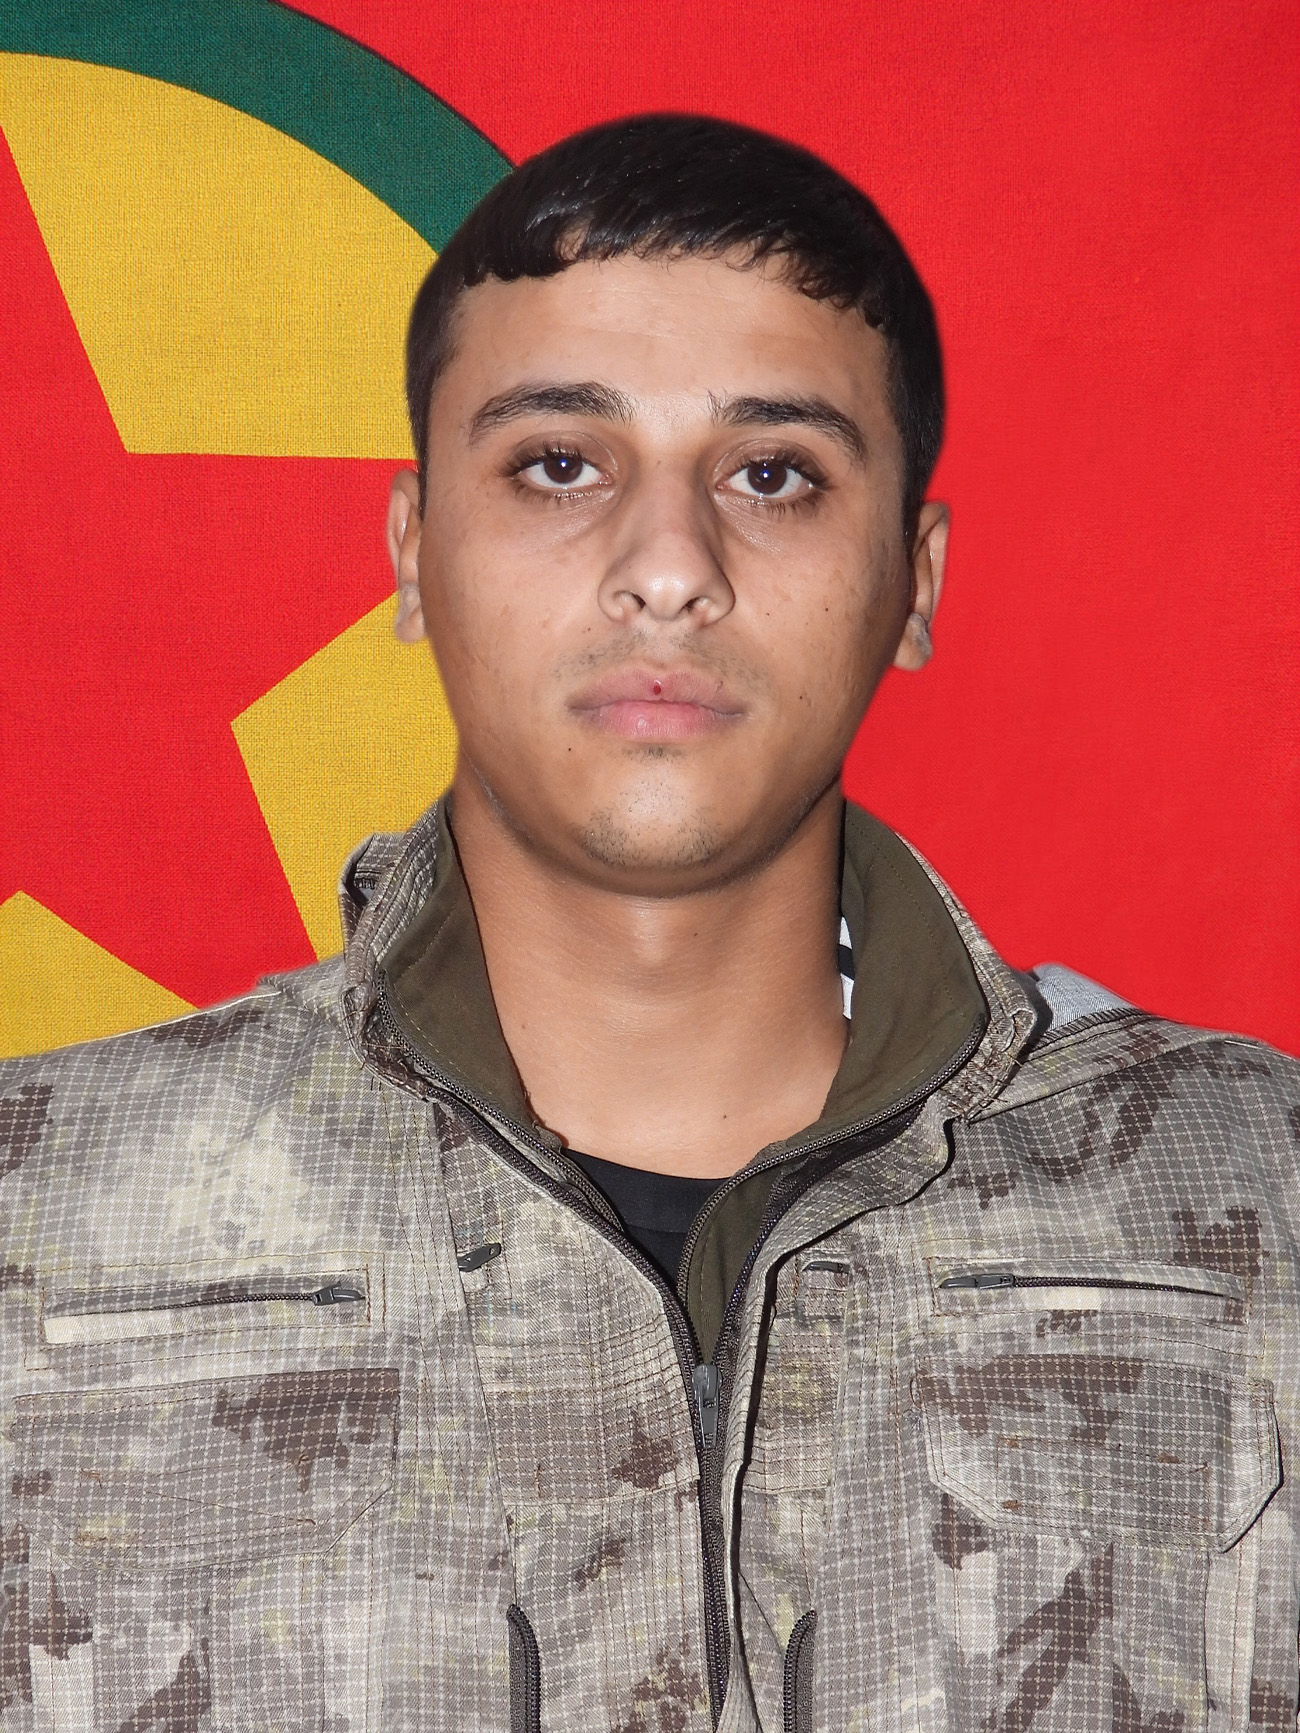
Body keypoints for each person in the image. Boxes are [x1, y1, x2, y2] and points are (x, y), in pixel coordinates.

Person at [0, 114, 1296, 1733]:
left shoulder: (1265, 1200)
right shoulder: (36, 1221)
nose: (669, 567)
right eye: (559, 463)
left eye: (774, 473)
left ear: (914, 579)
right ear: (414, 552)